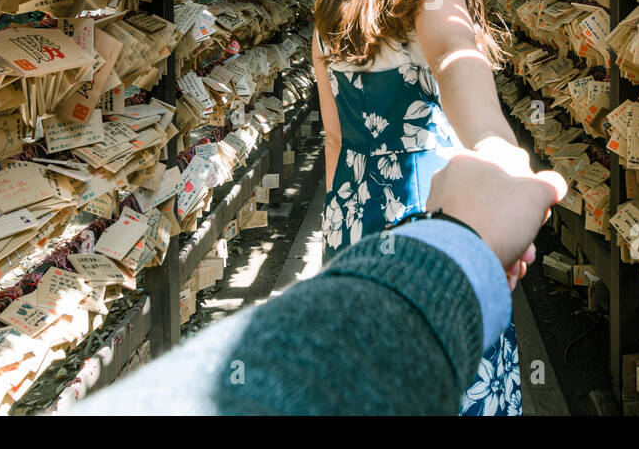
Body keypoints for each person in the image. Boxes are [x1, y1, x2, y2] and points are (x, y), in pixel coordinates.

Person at [311, 0, 536, 416]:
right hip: (426, 211)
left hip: (352, 215)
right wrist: (501, 158)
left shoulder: (334, 0)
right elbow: (461, 75)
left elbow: (334, 137)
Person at [69, 151, 567, 416]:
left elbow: (333, 138)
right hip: (431, 205)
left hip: (361, 196)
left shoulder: (334, 16)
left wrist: (339, 220)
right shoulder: (445, 10)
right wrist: (459, 241)